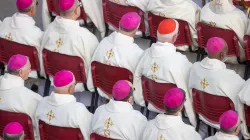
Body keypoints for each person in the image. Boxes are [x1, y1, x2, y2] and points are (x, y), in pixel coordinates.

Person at [133, 19, 196, 127]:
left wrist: (140, 100)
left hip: (151, 102)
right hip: (174, 107)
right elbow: (188, 86)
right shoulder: (180, 61)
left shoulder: (146, 54)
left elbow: (137, 77)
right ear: (174, 37)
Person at [40, 0, 99, 92]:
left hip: (54, 77)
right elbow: (94, 66)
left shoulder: (48, 30)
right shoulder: (86, 37)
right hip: (79, 84)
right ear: (76, 11)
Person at [189, 37, 245, 128]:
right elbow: (244, 94)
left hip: (202, 115)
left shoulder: (194, 68)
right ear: (222, 55)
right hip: (226, 123)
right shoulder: (230, 76)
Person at [87, 12, 143, 99]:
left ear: (119, 24)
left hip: (102, 90)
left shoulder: (103, 42)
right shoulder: (138, 53)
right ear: (136, 31)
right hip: (124, 98)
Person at [35, 70, 92, 140]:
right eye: (75, 84)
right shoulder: (78, 110)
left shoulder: (42, 102)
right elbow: (90, 134)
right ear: (71, 89)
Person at [0, 54, 42, 138]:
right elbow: (39, 127)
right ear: (21, 72)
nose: (30, 71)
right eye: (29, 68)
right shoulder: (34, 98)